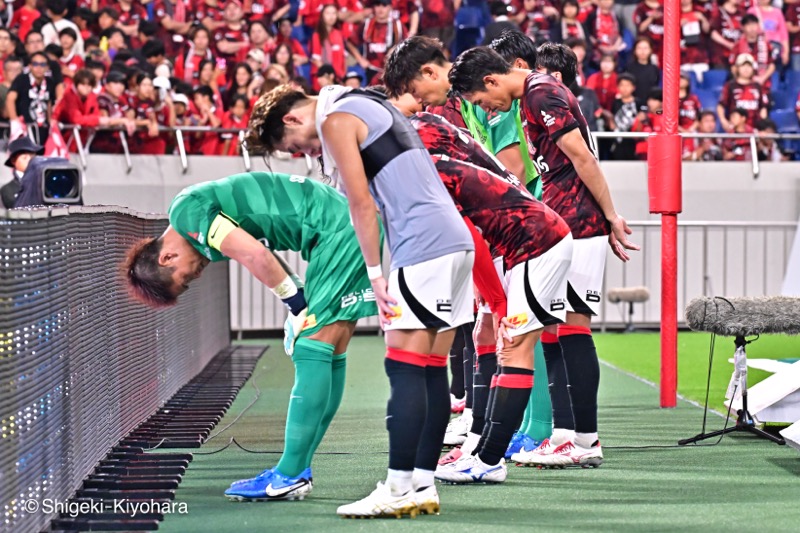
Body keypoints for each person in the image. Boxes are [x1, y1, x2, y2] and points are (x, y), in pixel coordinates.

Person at [246, 84, 475, 518]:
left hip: (422, 245)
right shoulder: (368, 102)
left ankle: (398, 488)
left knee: (405, 366)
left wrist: (375, 273)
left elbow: (361, 203)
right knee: (430, 369)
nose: (303, 153)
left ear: (294, 119)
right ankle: (422, 485)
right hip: (456, 242)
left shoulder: (334, 120)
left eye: (294, 146)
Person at [124, 172, 378, 502]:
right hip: (343, 225)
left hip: (337, 230)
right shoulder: (196, 226)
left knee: (312, 349)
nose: (195, 277)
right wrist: (296, 299)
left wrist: (297, 306)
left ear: (167, 258)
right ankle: (296, 468)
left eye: (184, 279)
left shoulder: (187, 213)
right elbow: (261, 253)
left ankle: (290, 473)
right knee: (332, 347)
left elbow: (256, 255)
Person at [449, 46, 639, 468]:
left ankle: (585, 441)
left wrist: (610, 217)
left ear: (493, 81)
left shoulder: (539, 92)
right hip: (569, 220)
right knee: (556, 331)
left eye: (482, 100)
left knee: (572, 330)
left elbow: (582, 157)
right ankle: (568, 435)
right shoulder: (534, 93)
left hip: (579, 221)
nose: (488, 108)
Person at [6, 51, 58, 144]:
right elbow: (10, 98)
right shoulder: (22, 79)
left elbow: (49, 102)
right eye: (35, 64)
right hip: (24, 128)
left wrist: (50, 120)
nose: (39, 68)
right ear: (30, 66)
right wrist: (14, 120)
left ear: (47, 67)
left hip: (43, 128)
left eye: (42, 64)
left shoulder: (50, 82)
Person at [717, 53, 769, 131]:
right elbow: (720, 105)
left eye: (749, 66)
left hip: (754, 129)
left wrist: (763, 125)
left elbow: (763, 108)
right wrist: (724, 121)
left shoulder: (757, 86)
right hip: (736, 130)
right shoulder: (730, 86)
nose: (746, 69)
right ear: (737, 68)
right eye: (743, 66)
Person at [1, 136, 42, 208]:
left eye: (32, 157)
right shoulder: (7, 190)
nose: (29, 160)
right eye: (25, 157)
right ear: (13, 160)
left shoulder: (43, 182)